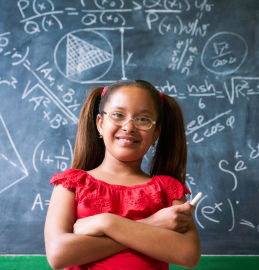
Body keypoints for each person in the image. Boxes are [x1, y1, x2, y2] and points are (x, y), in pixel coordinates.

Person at [44, 80, 201, 270]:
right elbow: (58, 255)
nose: (129, 127)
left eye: (143, 119)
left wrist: (106, 223)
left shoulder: (168, 189)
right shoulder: (72, 184)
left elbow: (188, 255)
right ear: (100, 124)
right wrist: (152, 224)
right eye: (118, 115)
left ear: (156, 133)